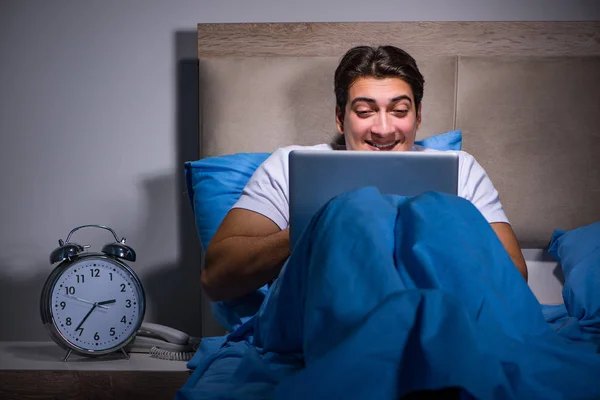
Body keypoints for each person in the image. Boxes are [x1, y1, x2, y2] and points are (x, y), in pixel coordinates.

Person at [202, 45, 528, 302]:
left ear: (417, 118)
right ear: (340, 119)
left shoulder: (461, 169)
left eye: (400, 111)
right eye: (365, 111)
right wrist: (314, 227)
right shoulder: (288, 165)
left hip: (436, 319)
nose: (383, 128)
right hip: (321, 320)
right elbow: (216, 277)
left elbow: (514, 279)